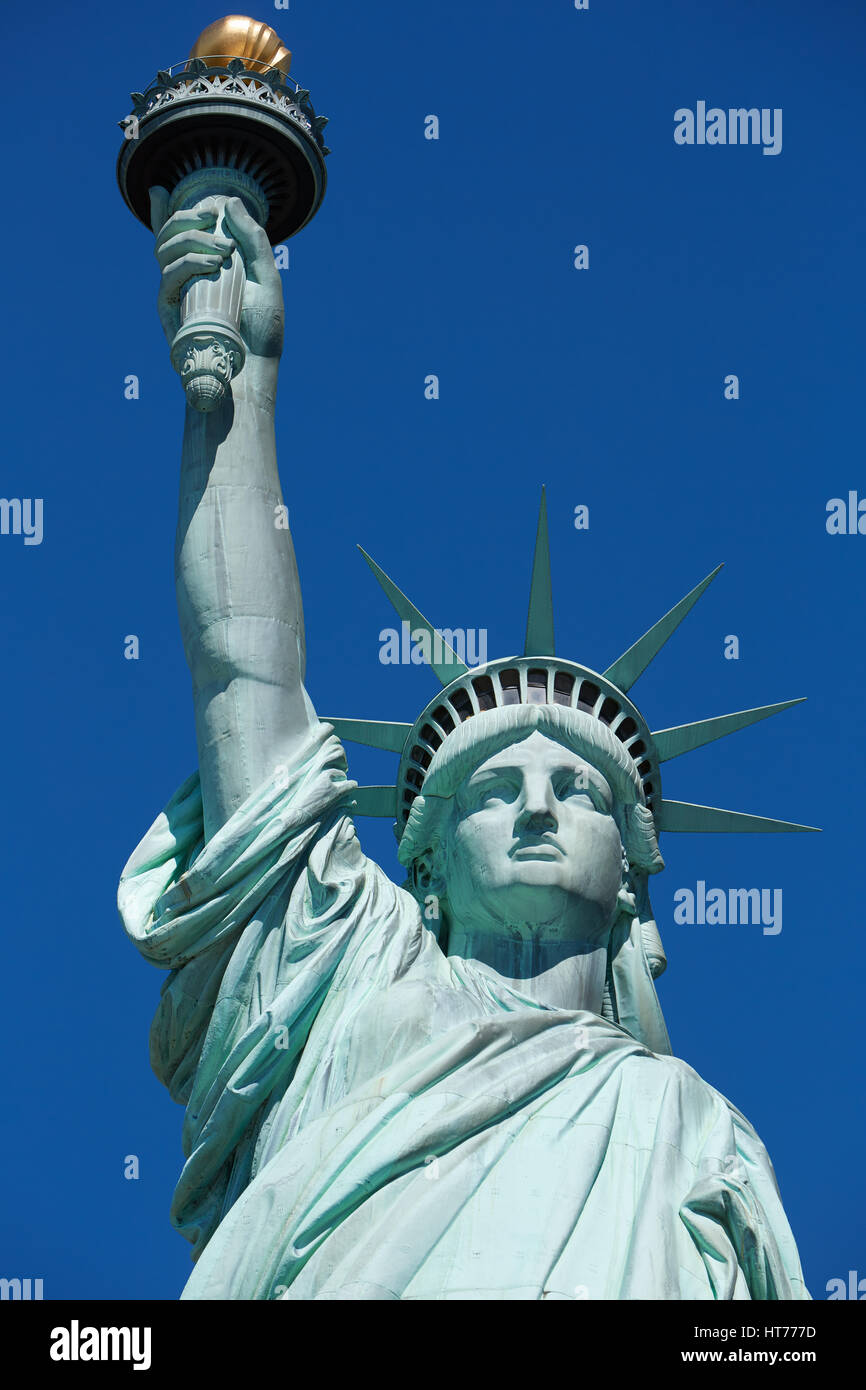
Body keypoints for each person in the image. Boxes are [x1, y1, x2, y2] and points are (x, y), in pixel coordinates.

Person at [119, 194, 810, 1300]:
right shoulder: (351, 988)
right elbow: (242, 670)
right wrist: (240, 385)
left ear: (632, 877)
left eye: (575, 791)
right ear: (425, 862)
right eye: (495, 789)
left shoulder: (696, 1130)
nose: (537, 807)